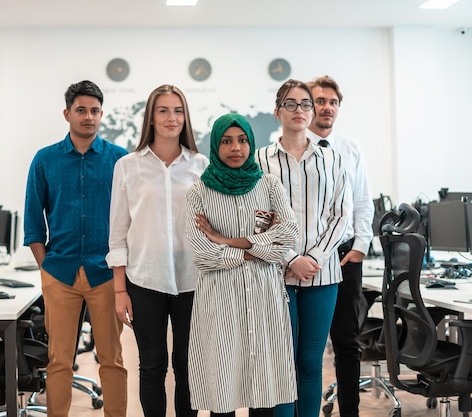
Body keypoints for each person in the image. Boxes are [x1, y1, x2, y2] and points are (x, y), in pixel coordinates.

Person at [23, 80, 128, 417]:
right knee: (58, 360)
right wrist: (46, 268)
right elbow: (32, 223)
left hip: (106, 274)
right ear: (67, 113)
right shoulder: (45, 160)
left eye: (95, 110)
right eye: (81, 110)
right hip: (60, 274)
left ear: (101, 114)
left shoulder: (120, 160)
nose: (88, 117)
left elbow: (133, 220)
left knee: (112, 360)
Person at [186, 113, 299, 417]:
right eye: (226, 141)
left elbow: (290, 235)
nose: (236, 148)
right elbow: (202, 255)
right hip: (220, 300)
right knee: (222, 391)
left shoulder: (269, 185)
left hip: (263, 297)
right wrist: (260, 248)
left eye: (242, 140)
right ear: (215, 145)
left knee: (263, 391)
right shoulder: (199, 192)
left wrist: (230, 241)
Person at [106, 84, 209, 417]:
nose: (171, 117)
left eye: (177, 110)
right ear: (150, 116)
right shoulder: (128, 166)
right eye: (163, 110)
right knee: (151, 366)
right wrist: (120, 290)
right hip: (144, 280)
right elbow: (118, 232)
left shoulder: (200, 165)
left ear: (186, 117)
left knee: (188, 367)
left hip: (193, 280)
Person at [255, 79, 351, 417]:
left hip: (322, 276)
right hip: (274, 276)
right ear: (277, 110)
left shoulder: (333, 160)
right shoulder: (259, 161)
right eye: (291, 104)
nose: (300, 111)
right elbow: (256, 221)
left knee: (310, 364)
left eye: (305, 104)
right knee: (281, 365)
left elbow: (342, 217)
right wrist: (290, 258)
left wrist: (313, 257)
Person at [307, 75, 374, 417]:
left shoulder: (350, 149)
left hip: (346, 254)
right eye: (320, 101)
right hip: (306, 258)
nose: (327, 107)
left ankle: (350, 412)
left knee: (347, 342)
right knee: (305, 345)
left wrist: (361, 245)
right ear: (307, 105)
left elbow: (363, 201)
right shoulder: (291, 147)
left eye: (333, 102)